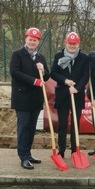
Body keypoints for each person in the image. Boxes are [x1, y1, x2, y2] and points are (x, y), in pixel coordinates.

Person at [10, 27, 50, 169]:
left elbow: (46, 77)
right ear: (26, 39)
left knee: (32, 128)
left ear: (38, 41)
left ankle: (28, 154)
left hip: (36, 99)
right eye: (30, 39)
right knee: (23, 127)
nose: (32, 42)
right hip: (22, 98)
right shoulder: (17, 55)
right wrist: (34, 81)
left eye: (35, 40)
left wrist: (43, 70)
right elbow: (14, 72)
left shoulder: (41, 57)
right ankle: (23, 157)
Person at [50, 32, 89, 158]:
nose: (72, 46)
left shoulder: (84, 57)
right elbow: (53, 73)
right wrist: (65, 81)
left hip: (76, 95)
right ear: (66, 43)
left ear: (78, 43)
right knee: (62, 124)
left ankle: (74, 150)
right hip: (62, 94)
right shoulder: (58, 56)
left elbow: (85, 75)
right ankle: (61, 150)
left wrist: (77, 88)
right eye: (70, 43)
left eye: (74, 43)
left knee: (75, 124)